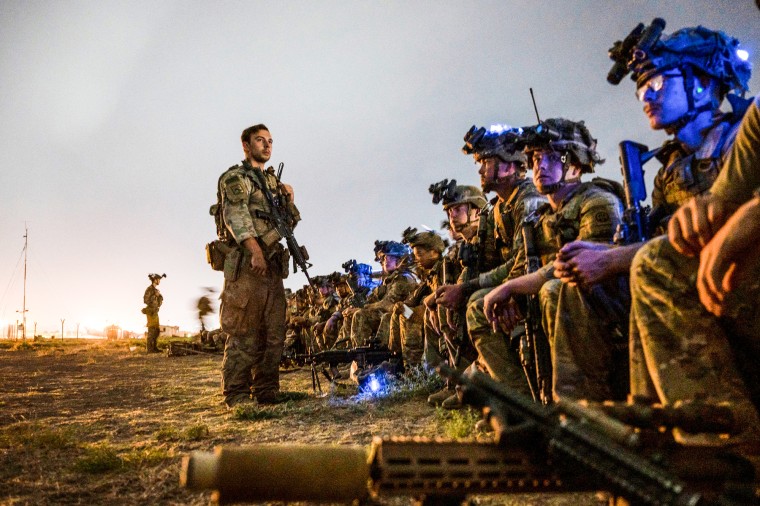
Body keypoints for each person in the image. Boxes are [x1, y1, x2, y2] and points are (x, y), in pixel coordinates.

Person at [629, 94, 760, 450]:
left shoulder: (733, 135)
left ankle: (729, 459)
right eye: (640, 90)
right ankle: (653, 442)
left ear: (702, 83)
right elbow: (721, 202)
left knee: (656, 263)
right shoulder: (671, 167)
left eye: (657, 82)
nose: (648, 97)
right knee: (658, 258)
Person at [482, 118, 624, 401]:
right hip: (558, 303)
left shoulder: (597, 201)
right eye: (535, 158)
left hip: (605, 306)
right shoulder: (540, 218)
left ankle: (578, 405)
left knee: (556, 290)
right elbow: (523, 265)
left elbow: (582, 266)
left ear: (575, 162)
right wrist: (512, 292)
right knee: (487, 307)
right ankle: (522, 403)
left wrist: (514, 287)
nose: (540, 166)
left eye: (550, 157)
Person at [437, 125, 547, 400]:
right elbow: (490, 264)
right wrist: (462, 288)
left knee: (476, 307)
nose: (480, 170)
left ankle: (519, 401)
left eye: (487, 162)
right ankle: (481, 386)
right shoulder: (500, 208)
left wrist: (476, 289)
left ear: (510, 167)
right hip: (521, 282)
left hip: (540, 281)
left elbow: (524, 263)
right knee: (466, 300)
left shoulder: (528, 200)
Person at [218, 124, 299, 408]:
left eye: (270, 141)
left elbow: (290, 222)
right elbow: (236, 218)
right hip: (249, 267)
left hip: (273, 266)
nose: (267, 145)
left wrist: (289, 198)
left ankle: (266, 389)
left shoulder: (273, 184)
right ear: (245, 145)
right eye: (260, 140)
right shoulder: (237, 178)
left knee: (274, 332)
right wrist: (255, 251)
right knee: (244, 331)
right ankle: (237, 394)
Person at [142, 273, 165, 353]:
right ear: (154, 280)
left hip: (155, 311)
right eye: (158, 279)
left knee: (156, 330)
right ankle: (150, 349)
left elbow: (159, 303)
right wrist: (154, 296)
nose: (159, 281)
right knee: (151, 329)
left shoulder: (156, 290)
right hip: (150, 311)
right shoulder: (149, 289)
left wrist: (159, 296)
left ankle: (154, 348)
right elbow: (145, 300)